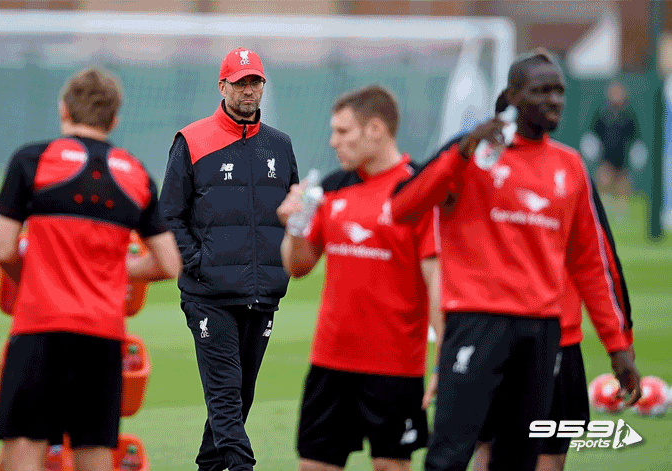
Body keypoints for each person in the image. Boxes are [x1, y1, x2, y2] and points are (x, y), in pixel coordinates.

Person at [389, 49, 641, 471]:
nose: (554, 100)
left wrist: (618, 348)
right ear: (512, 96)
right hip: (477, 322)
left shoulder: (570, 166)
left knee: (520, 459)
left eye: (559, 91)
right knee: (450, 454)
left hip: (542, 331)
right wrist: (460, 153)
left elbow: (590, 264)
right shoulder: (471, 153)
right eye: (541, 91)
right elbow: (402, 207)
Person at [0, 67, 181, 471]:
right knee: (93, 452)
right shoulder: (136, 174)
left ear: (63, 109)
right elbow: (169, 264)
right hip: (102, 336)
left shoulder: (32, 160)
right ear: (113, 120)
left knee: (24, 448)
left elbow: (4, 248)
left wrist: (36, 279)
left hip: (39, 327)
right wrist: (108, 269)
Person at [277, 85, 441, 471]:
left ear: (376, 129)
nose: (333, 142)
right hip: (330, 362)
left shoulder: (417, 190)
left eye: (343, 131)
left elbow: (439, 284)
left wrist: (443, 362)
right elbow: (297, 268)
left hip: (394, 368)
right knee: (313, 466)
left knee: (389, 466)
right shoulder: (332, 187)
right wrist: (295, 227)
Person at [470, 94, 633, 471]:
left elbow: (599, 260)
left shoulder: (568, 168)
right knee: (490, 448)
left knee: (544, 453)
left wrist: (619, 340)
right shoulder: (474, 168)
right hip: (493, 333)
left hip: (558, 337)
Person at [159, 47, 299, 471]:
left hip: (263, 293)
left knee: (240, 398)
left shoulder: (280, 145)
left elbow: (293, 211)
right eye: (239, 83)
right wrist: (198, 263)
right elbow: (169, 215)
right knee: (225, 395)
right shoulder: (191, 140)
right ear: (222, 86)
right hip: (209, 295)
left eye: (255, 82)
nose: (248, 90)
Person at [590, 80, 641, 221]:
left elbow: (635, 136)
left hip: (623, 158)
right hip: (606, 156)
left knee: (623, 185)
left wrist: (636, 152)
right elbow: (594, 133)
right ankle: (603, 210)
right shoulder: (602, 113)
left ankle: (621, 213)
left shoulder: (629, 114)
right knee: (603, 180)